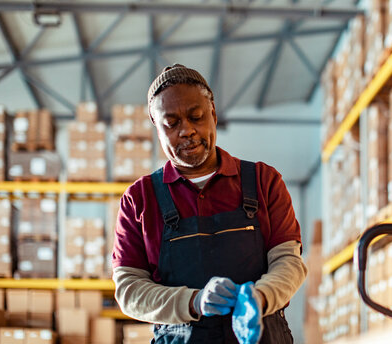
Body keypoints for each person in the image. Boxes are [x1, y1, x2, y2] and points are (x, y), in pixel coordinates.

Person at [112, 63, 308, 344]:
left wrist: (260, 296)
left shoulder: (264, 181)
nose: (187, 131)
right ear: (156, 126)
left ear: (213, 114)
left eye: (196, 117)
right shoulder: (140, 199)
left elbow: (288, 261)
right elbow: (129, 291)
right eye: (172, 123)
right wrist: (194, 300)